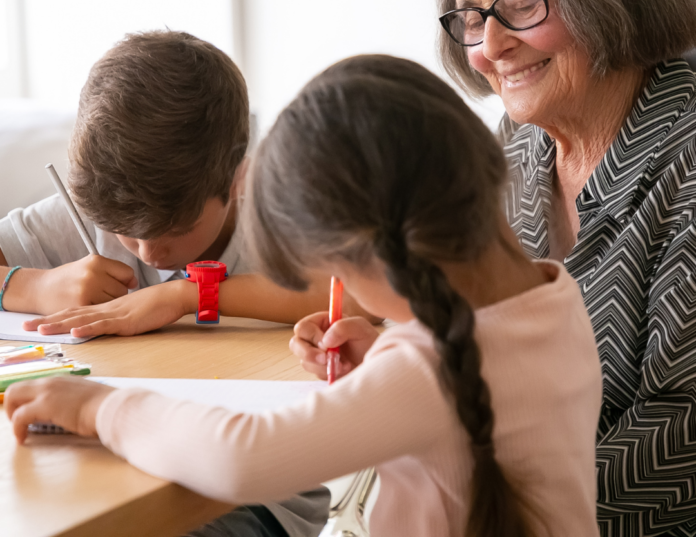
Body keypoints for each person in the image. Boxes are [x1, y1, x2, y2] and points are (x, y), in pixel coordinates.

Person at [5, 55, 603, 537]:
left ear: (382, 252)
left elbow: (244, 457)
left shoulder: (428, 373)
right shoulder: (555, 297)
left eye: (336, 273)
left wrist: (97, 408)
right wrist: (380, 359)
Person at [435, 0, 696, 536]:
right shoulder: (515, 148)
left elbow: (681, 434)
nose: (490, 46)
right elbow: (468, 324)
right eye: (469, 17)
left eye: (520, 4)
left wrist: (498, 511)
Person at [0, 30, 339, 537]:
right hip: (102, 479)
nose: (148, 252)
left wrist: (184, 294)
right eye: (125, 233)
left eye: (175, 231)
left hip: (251, 499)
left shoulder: (276, 206)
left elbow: (359, 289)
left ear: (236, 179)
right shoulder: (97, 207)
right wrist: (31, 285)